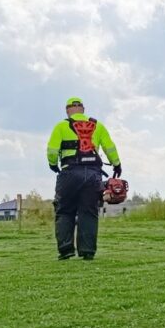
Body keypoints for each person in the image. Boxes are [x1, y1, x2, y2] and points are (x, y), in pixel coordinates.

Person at [47, 97, 122, 260]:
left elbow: (52, 149)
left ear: (67, 110)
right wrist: (117, 164)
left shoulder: (61, 126)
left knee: (65, 210)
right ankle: (87, 251)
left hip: (69, 172)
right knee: (88, 211)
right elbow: (110, 147)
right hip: (93, 174)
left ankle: (66, 249)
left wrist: (53, 164)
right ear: (83, 109)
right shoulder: (98, 126)